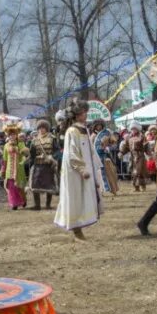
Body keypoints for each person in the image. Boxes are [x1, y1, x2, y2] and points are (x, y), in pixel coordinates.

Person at [53, 99, 104, 240]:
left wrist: (95, 166)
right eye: (83, 113)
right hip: (74, 171)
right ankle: (76, 229)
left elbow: (91, 150)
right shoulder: (72, 131)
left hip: (86, 169)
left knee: (84, 197)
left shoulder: (84, 129)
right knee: (75, 198)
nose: (85, 115)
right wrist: (81, 169)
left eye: (85, 112)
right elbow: (71, 153)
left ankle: (80, 225)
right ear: (76, 115)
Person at [28, 120, 59, 209]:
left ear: (47, 129)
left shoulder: (52, 139)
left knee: (49, 184)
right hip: (38, 165)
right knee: (35, 184)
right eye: (40, 128)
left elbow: (57, 151)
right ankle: (37, 205)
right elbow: (32, 154)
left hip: (48, 165)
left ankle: (48, 205)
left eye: (43, 128)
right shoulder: (34, 140)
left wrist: (51, 157)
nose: (41, 130)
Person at [1, 125, 28, 211]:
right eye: (10, 135)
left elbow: (24, 155)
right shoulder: (6, 146)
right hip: (9, 169)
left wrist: (23, 153)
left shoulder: (20, 143)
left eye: (13, 134)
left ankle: (23, 200)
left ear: (16, 135)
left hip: (19, 169)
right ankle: (14, 203)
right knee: (11, 187)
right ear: (8, 136)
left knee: (19, 187)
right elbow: (5, 159)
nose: (12, 136)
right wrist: (3, 169)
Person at [126, 124, 149, 192]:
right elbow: (125, 145)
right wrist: (121, 152)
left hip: (140, 156)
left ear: (138, 129)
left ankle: (143, 186)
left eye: (135, 129)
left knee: (139, 171)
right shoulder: (129, 137)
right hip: (132, 156)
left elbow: (146, 145)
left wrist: (149, 153)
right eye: (132, 129)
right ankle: (136, 187)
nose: (133, 130)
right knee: (133, 172)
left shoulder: (141, 136)